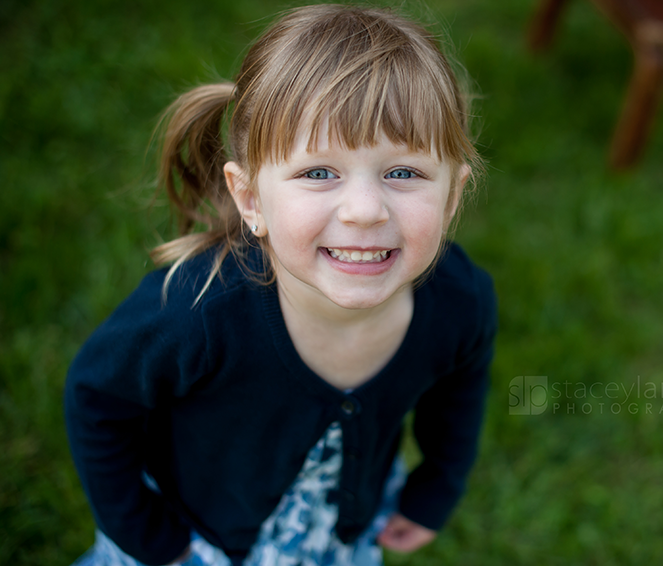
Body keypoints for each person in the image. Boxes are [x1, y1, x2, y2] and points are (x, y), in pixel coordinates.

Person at [64, 4, 496, 566]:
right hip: (196, 535)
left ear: (453, 194)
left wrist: (435, 491)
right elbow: (97, 399)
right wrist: (149, 538)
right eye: (319, 173)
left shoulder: (460, 303)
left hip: (334, 531)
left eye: (404, 172)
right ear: (250, 199)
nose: (364, 210)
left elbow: (460, 397)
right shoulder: (196, 312)